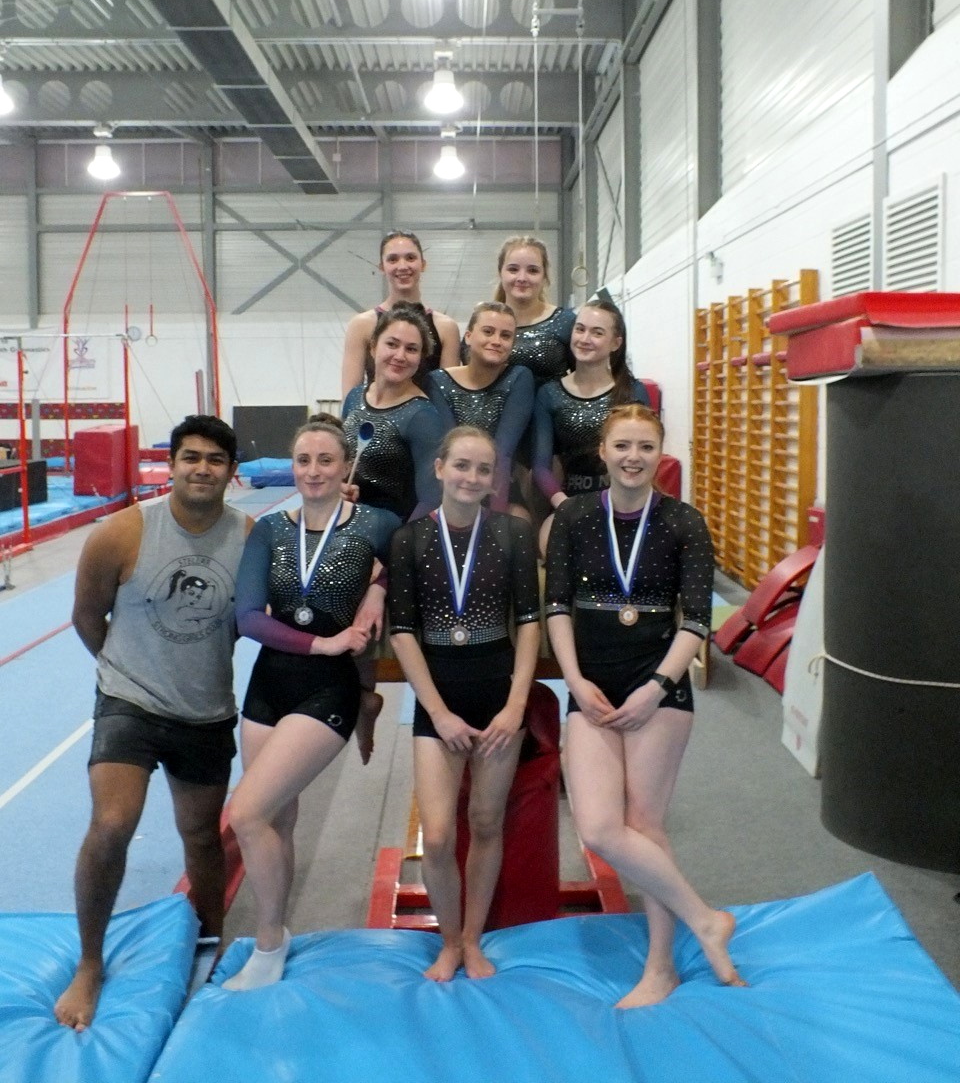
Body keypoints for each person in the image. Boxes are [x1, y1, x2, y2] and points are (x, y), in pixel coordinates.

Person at [54, 415, 252, 1031]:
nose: (201, 469)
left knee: (201, 838)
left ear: (230, 470)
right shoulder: (121, 534)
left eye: (214, 460)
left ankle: (212, 938)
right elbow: (88, 617)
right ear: (170, 465)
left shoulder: (249, 538)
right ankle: (90, 961)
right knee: (112, 824)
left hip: (205, 708)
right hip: (130, 702)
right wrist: (128, 673)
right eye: (190, 457)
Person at [544, 404, 745, 1007]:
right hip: (592, 684)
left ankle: (661, 968)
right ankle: (706, 918)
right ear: (602, 451)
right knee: (601, 826)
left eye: (646, 447)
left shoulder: (683, 522)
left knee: (646, 825)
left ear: (661, 453)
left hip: (659, 682)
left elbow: (697, 620)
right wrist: (575, 682)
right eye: (622, 445)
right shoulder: (576, 518)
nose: (633, 457)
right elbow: (557, 608)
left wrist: (657, 685)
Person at [223, 417, 399, 990]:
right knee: (276, 817)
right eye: (303, 460)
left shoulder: (377, 524)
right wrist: (322, 640)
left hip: (330, 690)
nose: (314, 471)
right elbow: (248, 618)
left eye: (326, 460)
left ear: (347, 467)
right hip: (270, 685)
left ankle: (269, 944)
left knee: (245, 813)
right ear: (291, 467)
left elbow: (414, 554)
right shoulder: (270, 531)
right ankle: (279, 925)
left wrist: (378, 585)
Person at [389, 427, 540, 982]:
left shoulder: (511, 533)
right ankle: (448, 940)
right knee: (441, 829)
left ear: (493, 478)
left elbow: (528, 623)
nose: (472, 478)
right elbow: (403, 632)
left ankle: (473, 938)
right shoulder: (410, 540)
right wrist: (439, 712)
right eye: (462, 466)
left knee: (485, 820)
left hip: (498, 690)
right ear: (440, 468)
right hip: (439, 698)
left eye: (483, 469)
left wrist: (515, 705)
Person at [532, 299, 651, 554]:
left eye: (597, 332)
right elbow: (541, 467)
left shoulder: (632, 392)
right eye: (580, 329)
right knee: (550, 543)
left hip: (625, 500)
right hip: (571, 501)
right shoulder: (550, 394)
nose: (585, 338)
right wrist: (565, 507)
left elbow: (645, 457)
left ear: (615, 343)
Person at [426, 302, 534, 512]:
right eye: (488, 332)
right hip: (452, 485)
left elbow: (503, 453)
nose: (496, 341)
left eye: (505, 335)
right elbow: (450, 449)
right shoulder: (438, 381)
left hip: (499, 487)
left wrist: (495, 521)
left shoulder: (519, 377)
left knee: (518, 520)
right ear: (468, 336)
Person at [342, 304, 444, 522]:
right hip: (348, 520)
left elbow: (432, 498)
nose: (400, 355)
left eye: (411, 349)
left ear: (421, 358)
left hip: (393, 530)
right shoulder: (354, 398)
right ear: (372, 347)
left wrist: (401, 547)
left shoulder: (423, 417)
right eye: (392, 344)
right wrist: (339, 490)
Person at [341, 231, 460, 398]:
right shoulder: (362, 325)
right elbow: (350, 397)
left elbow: (448, 398)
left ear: (423, 264)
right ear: (382, 267)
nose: (402, 266)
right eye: (393, 259)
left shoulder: (446, 327)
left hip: (427, 420)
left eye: (410, 258)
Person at [494, 235, 575, 388]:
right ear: (500, 273)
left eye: (532, 270)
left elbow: (589, 381)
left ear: (544, 276)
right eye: (513, 269)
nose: (522, 278)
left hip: (551, 411)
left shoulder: (566, 322)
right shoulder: (484, 324)